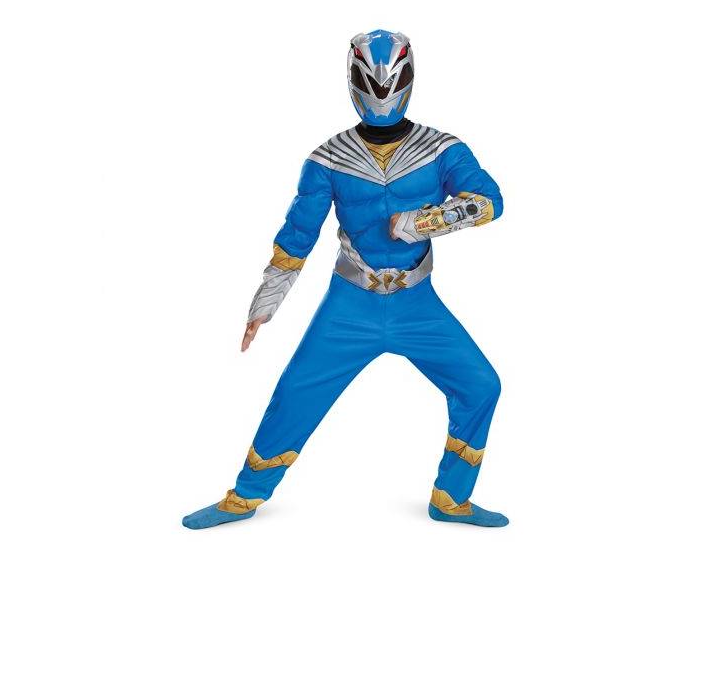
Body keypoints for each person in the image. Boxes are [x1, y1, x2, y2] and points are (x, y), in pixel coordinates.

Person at [183, 29, 508, 529]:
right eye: (370, 83)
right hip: (350, 304)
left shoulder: (441, 149)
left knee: (481, 385)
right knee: (296, 393)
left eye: (390, 82)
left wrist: (422, 223)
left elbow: (489, 202)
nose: (381, 93)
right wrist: (265, 303)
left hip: (416, 303)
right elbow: (297, 235)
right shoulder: (328, 159)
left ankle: (452, 498)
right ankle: (244, 496)